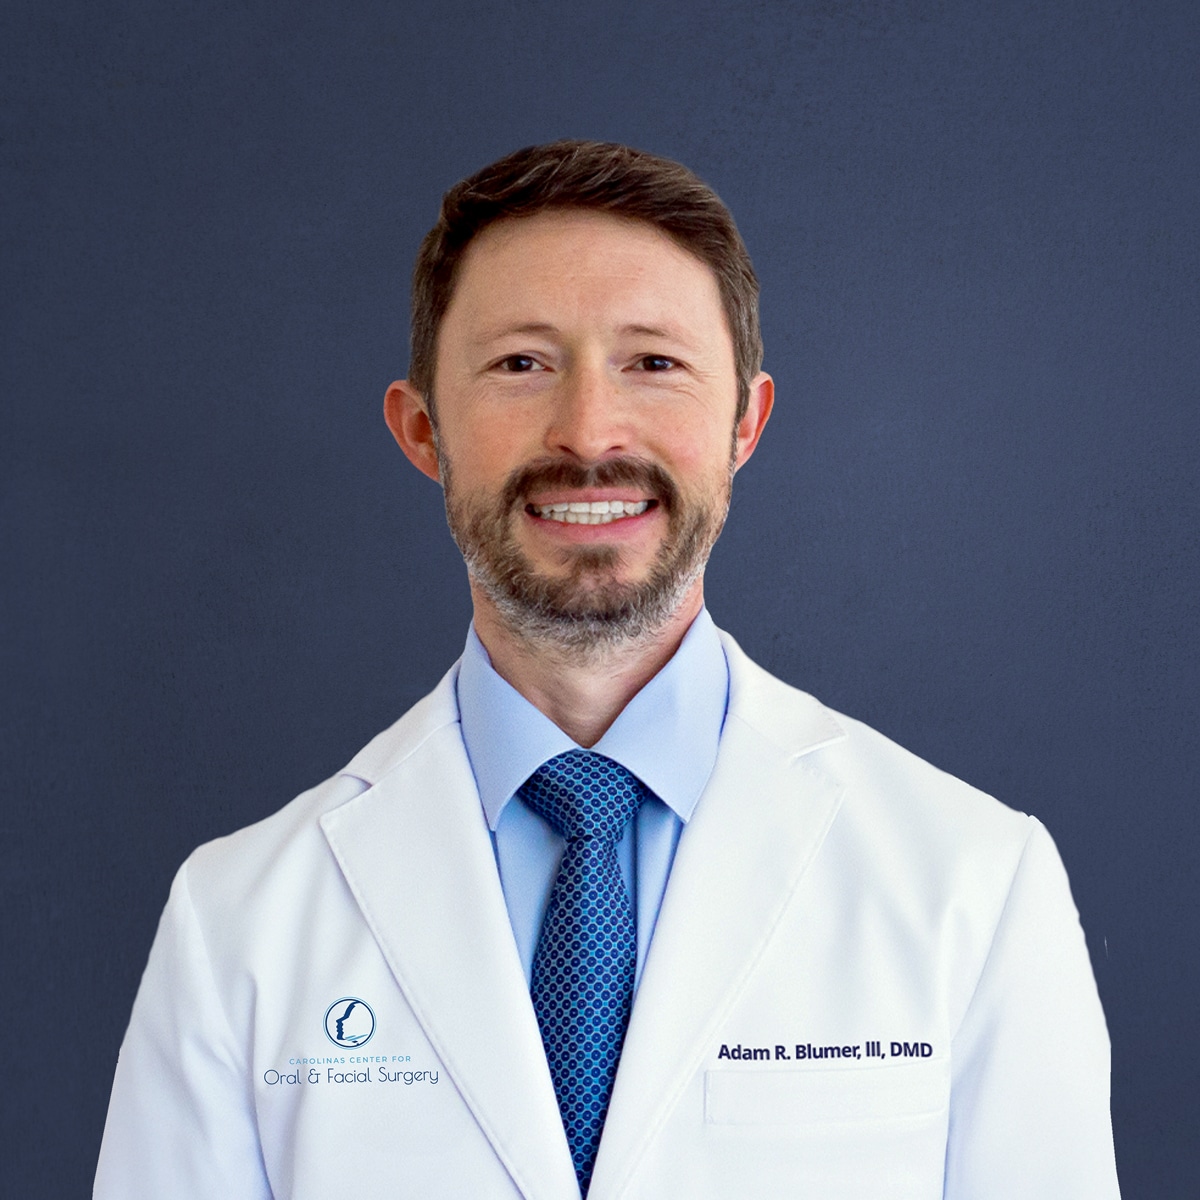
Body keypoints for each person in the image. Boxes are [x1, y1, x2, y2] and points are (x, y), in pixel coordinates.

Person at [94, 140, 1120, 1199]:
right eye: (521, 364)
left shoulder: (976, 887)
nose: (588, 433)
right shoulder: (237, 925)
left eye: (655, 362)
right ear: (421, 430)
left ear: (746, 425)